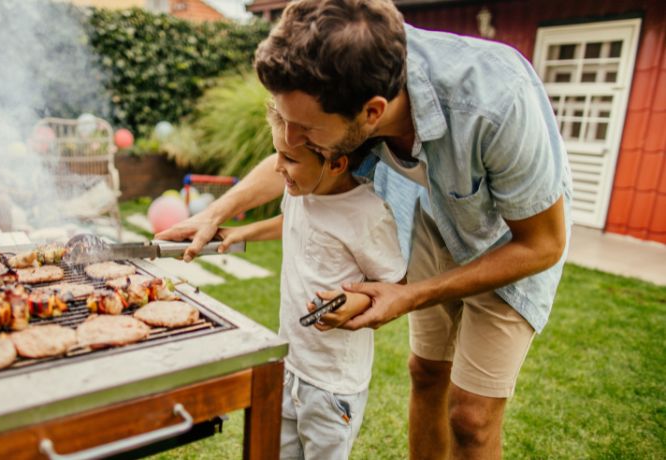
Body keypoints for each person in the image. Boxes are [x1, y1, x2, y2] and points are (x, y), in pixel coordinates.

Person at [157, 0, 572, 458]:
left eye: (308, 130)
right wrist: (217, 212)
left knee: (470, 417)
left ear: (372, 113)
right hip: (431, 220)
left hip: (510, 240)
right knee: (426, 373)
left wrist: (410, 295)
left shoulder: (495, 101)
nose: (290, 140)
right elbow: (296, 160)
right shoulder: (348, 71)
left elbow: (543, 244)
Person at [216, 104, 405, 459]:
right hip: (290, 365)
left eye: (288, 158)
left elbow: (395, 284)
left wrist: (355, 304)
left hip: (332, 385)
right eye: (278, 154)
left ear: (336, 163)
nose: (277, 167)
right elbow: (290, 224)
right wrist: (242, 232)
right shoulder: (301, 190)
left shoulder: (368, 215)